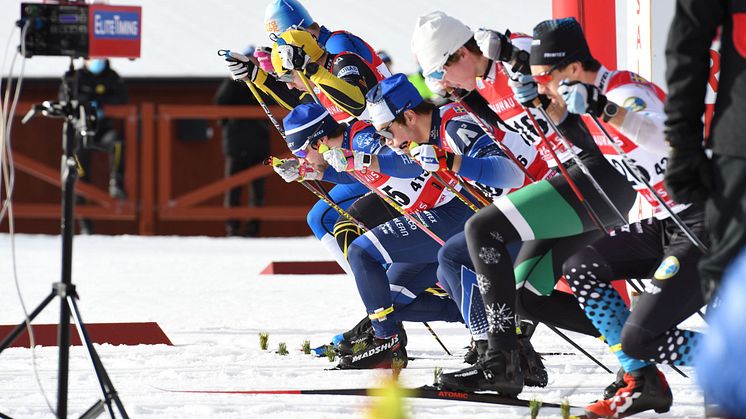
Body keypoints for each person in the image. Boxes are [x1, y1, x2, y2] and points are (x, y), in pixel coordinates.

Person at [512, 16, 707, 417]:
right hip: (664, 222)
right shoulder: (586, 103)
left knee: (640, 338)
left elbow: (662, 135)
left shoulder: (624, 90)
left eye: (544, 76)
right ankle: (642, 382)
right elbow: (592, 147)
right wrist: (556, 114)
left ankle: (729, 358)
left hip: (705, 219)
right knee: (580, 266)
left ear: (571, 69)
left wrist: (606, 109)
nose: (542, 86)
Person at [664, 0, 746, 299]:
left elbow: (687, 43)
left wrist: (683, 142)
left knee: (732, 281)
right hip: (738, 142)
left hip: (739, 145)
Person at [60, 58, 128, 234]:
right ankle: (84, 223)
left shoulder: (112, 77)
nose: (97, 61)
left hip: (104, 131)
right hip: (81, 133)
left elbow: (122, 98)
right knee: (78, 167)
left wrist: (103, 105)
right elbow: (64, 98)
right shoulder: (76, 77)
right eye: (93, 57)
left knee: (117, 142)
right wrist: (86, 105)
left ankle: (116, 183)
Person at [214, 46, 271, 237]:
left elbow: (271, 101)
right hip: (236, 145)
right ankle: (233, 228)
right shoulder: (233, 83)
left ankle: (253, 228)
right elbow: (220, 103)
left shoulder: (264, 82)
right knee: (233, 189)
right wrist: (232, 80)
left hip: (258, 144)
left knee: (257, 191)